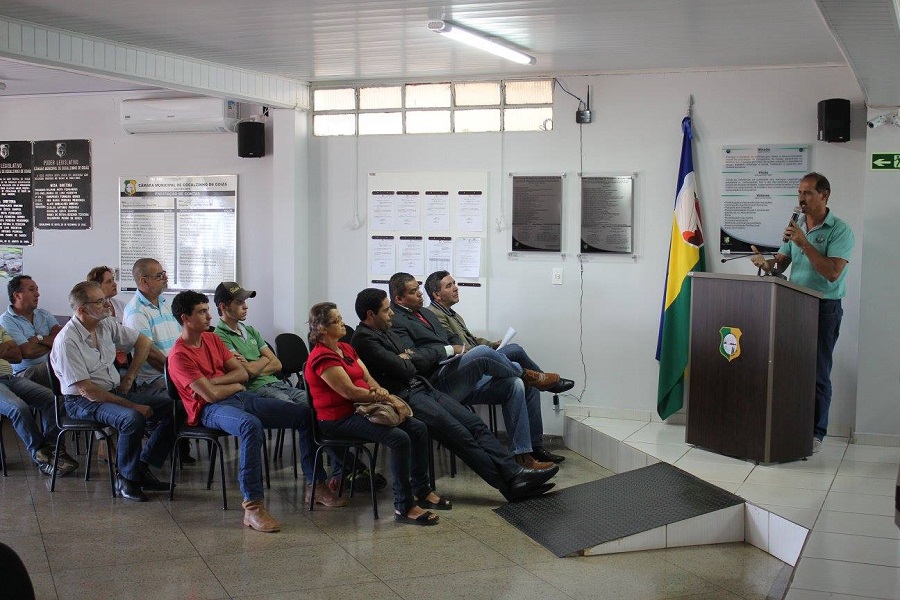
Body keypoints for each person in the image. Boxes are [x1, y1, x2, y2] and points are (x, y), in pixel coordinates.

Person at [351, 288, 559, 502]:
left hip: (423, 387)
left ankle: (515, 473)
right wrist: (408, 358)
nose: (392, 313)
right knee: (461, 437)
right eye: (386, 310)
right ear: (370, 315)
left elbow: (416, 358)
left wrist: (408, 357)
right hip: (408, 396)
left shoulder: (386, 329)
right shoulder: (363, 339)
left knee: (475, 424)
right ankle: (509, 485)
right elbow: (406, 367)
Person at [167, 291, 346, 533]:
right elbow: (209, 395)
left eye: (207, 310)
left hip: (241, 396)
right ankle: (252, 507)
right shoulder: (178, 355)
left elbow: (242, 375)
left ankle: (316, 486)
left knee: (304, 413)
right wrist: (225, 383)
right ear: (185, 318)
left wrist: (217, 382)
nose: (209, 316)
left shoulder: (212, 340)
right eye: (201, 312)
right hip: (209, 409)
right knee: (249, 425)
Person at [388, 272, 556, 469]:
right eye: (413, 291)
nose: (420, 294)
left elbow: (449, 337)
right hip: (435, 384)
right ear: (399, 299)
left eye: (418, 288)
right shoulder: (396, 321)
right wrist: (450, 350)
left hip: (455, 371)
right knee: (484, 352)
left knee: (514, 384)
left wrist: (457, 347)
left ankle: (522, 456)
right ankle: (528, 374)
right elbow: (416, 357)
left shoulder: (425, 313)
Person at [304, 301, 443, 526]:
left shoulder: (346, 348)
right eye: (336, 321)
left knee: (418, 428)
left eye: (341, 318)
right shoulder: (322, 357)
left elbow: (367, 378)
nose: (343, 323)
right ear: (321, 329)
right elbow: (349, 392)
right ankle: (404, 506)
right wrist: (387, 398)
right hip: (338, 419)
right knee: (399, 439)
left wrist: (380, 391)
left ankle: (421, 490)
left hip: (362, 409)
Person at [211, 281, 351, 498]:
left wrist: (253, 365)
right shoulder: (218, 337)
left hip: (277, 383)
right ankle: (327, 477)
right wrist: (258, 364)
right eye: (239, 303)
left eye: (245, 302)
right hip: (256, 393)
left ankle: (343, 469)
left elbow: (277, 364)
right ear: (223, 307)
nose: (245, 306)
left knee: (320, 409)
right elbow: (245, 374)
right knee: (307, 415)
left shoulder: (250, 330)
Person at [750, 172, 855, 453]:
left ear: (825, 195)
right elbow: (782, 264)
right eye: (799, 192)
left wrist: (804, 244)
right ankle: (792, 424)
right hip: (794, 305)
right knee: (792, 369)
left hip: (824, 308)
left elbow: (833, 273)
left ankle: (816, 433)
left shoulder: (840, 230)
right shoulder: (795, 224)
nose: (801, 198)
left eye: (808, 193)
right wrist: (767, 264)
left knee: (818, 372)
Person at [424, 270, 573, 462]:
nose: (455, 287)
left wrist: (492, 344)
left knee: (527, 384)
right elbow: (456, 346)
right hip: (461, 376)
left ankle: (534, 447)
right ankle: (546, 381)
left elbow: (471, 339)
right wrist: (486, 349)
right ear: (436, 294)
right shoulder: (433, 315)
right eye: (449, 285)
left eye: (455, 283)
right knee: (516, 351)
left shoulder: (452, 314)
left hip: (476, 364)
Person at [49, 281, 175, 502]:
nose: (107, 304)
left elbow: (143, 341)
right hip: (81, 401)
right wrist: (133, 405)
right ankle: (126, 479)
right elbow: (87, 390)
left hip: (112, 391)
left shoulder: (105, 324)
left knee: (174, 406)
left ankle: (142, 465)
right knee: (132, 418)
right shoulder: (67, 341)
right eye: (99, 301)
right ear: (82, 310)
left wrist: (130, 376)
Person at [123, 258, 195, 462]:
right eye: (159, 275)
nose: (165, 278)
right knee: (189, 395)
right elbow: (149, 353)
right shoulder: (136, 312)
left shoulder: (164, 304)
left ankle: (179, 441)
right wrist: (178, 374)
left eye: (164, 273)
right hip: (155, 378)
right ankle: (161, 450)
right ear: (144, 281)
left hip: (174, 372)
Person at [0, 323, 77, 476]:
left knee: (54, 399)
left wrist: (8, 347)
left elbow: (17, 355)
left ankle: (53, 449)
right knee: (18, 408)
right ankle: (40, 454)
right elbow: (11, 349)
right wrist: (5, 347)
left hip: (10, 378)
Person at [0, 275, 61, 388]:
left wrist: (39, 339)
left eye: (37, 290)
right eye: (32, 290)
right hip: (25, 373)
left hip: (52, 364)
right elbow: (27, 352)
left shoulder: (44, 314)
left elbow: (62, 338)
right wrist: (53, 344)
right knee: (62, 366)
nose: (37, 294)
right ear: (17, 295)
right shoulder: (6, 320)